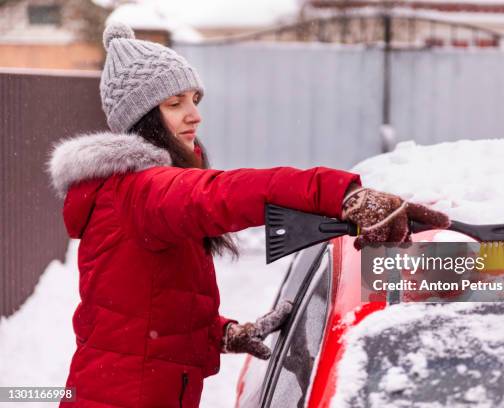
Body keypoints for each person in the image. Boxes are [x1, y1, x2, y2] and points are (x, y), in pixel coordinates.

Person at [47, 22, 450, 408]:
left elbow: (140, 311)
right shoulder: (143, 192)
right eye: (174, 103)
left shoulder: (136, 194)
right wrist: (340, 195)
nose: (194, 114)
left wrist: (218, 333)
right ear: (141, 119)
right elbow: (227, 194)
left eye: (194, 99)